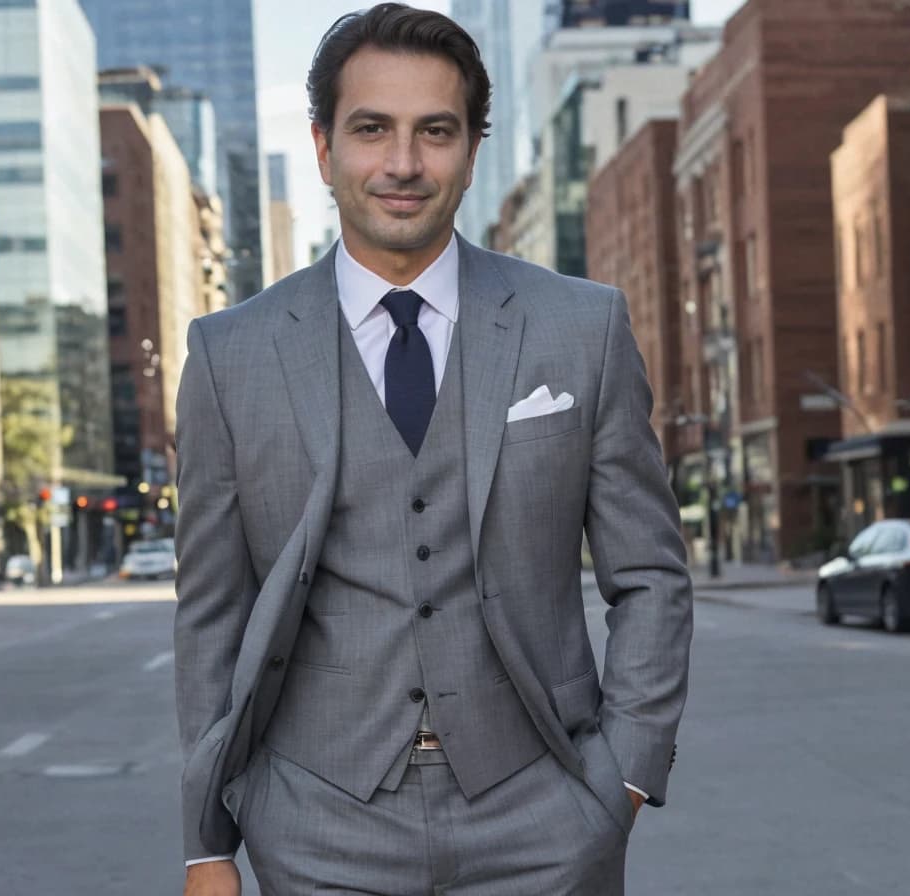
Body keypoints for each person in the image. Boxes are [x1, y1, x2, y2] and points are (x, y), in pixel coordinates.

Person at [174, 5, 692, 894]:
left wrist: (625, 780)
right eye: (372, 129)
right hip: (317, 823)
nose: (403, 164)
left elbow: (649, 572)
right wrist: (209, 842)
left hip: (546, 817)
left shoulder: (581, 326)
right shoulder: (231, 354)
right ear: (324, 146)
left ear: (473, 147)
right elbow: (213, 612)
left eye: (435, 132)